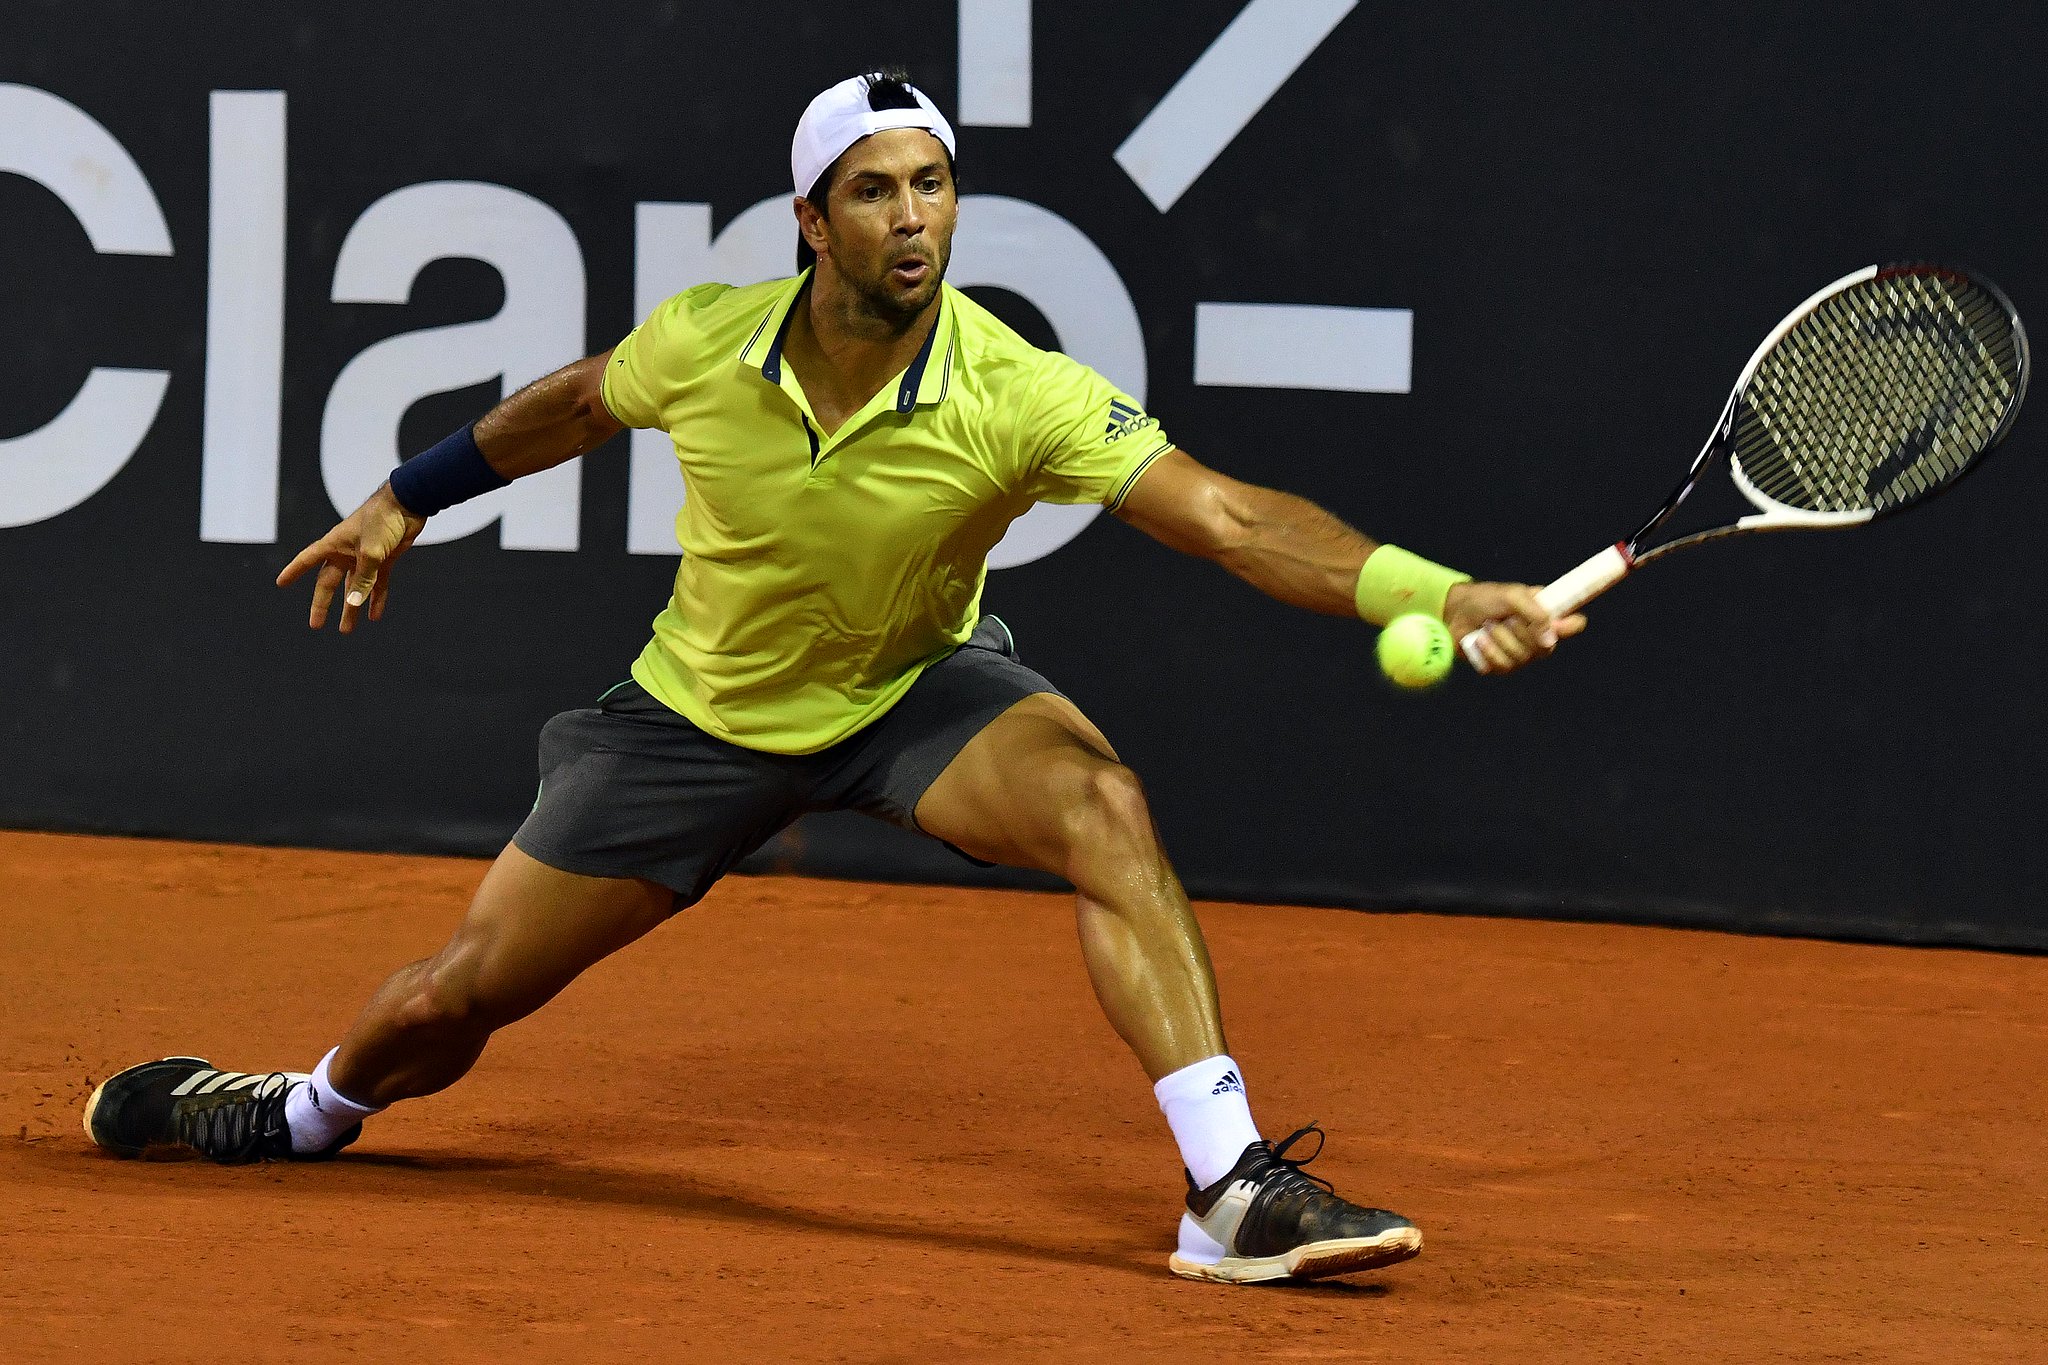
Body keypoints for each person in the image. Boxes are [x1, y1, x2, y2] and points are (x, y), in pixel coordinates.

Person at [83, 70, 1581, 1285]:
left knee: (1102, 803)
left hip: (917, 692)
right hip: (697, 723)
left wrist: (1435, 593)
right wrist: (411, 491)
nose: (913, 215)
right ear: (812, 220)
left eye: (933, 182)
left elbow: (1232, 517)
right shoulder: (705, 342)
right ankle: (292, 1110)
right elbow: (572, 403)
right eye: (875, 188)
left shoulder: (1017, 389)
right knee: (450, 1004)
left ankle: (1229, 1188)